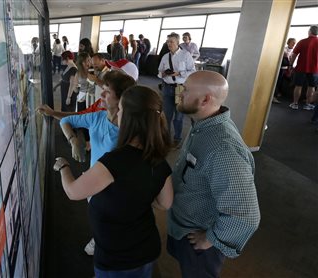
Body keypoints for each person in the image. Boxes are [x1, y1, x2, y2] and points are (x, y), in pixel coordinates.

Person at [53, 85, 173, 277]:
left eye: (121, 110)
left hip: (116, 256)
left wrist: (63, 167)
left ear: (129, 118)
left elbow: (73, 192)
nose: (117, 115)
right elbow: (165, 203)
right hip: (146, 249)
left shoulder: (113, 162)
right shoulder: (159, 159)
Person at [167, 70, 261, 278]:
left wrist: (211, 239)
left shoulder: (223, 149)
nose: (180, 93)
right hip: (184, 227)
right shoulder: (203, 124)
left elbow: (246, 215)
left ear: (205, 100)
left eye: (186, 90)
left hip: (198, 243)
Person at [158, 32, 195, 146]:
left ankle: (177, 139)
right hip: (167, 88)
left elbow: (192, 71)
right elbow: (159, 72)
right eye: (168, 42)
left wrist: (179, 73)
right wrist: (163, 74)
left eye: (171, 42)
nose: (169, 44)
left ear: (178, 43)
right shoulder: (165, 56)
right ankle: (166, 138)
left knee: (178, 116)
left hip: (180, 89)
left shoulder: (186, 55)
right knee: (166, 115)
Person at [289, 25, 318, 110]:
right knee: (311, 87)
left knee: (298, 86)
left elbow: (294, 55)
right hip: (314, 69)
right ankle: (307, 104)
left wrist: (291, 65)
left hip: (301, 67)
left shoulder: (302, 41)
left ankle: (295, 104)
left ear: (309, 31)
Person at [274, 38, 296, 103]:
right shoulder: (284, 49)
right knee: (278, 81)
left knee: (285, 81)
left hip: (287, 68)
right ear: (288, 43)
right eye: (292, 42)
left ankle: (279, 93)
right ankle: (275, 95)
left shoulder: (294, 50)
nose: (294, 44)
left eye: (295, 42)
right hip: (281, 68)